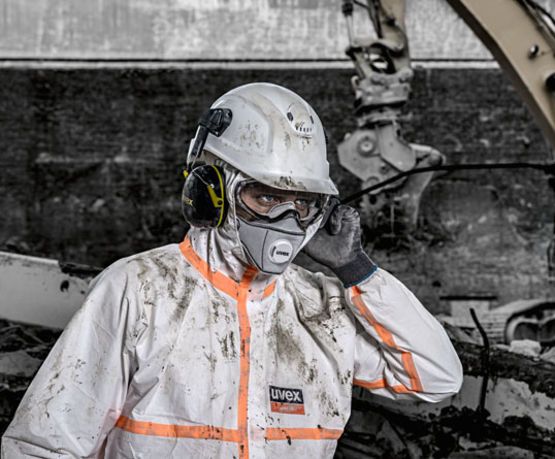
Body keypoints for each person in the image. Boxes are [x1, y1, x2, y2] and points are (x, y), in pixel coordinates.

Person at [2, 82, 462, 458]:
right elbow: (43, 445)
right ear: (211, 192)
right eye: (266, 197)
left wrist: (355, 268)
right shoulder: (140, 290)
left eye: (302, 204)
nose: (287, 220)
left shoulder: (321, 309)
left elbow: (436, 378)